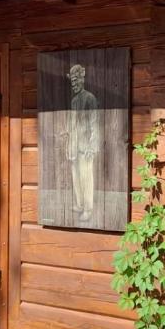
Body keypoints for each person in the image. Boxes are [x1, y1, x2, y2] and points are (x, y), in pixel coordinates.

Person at [66, 64, 99, 222]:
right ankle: (79, 205)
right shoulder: (73, 101)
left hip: (86, 146)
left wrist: (92, 147)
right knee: (76, 177)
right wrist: (68, 138)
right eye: (71, 81)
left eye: (76, 80)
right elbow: (72, 124)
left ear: (82, 79)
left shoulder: (90, 98)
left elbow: (95, 124)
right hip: (74, 145)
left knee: (86, 178)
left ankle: (88, 209)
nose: (74, 84)